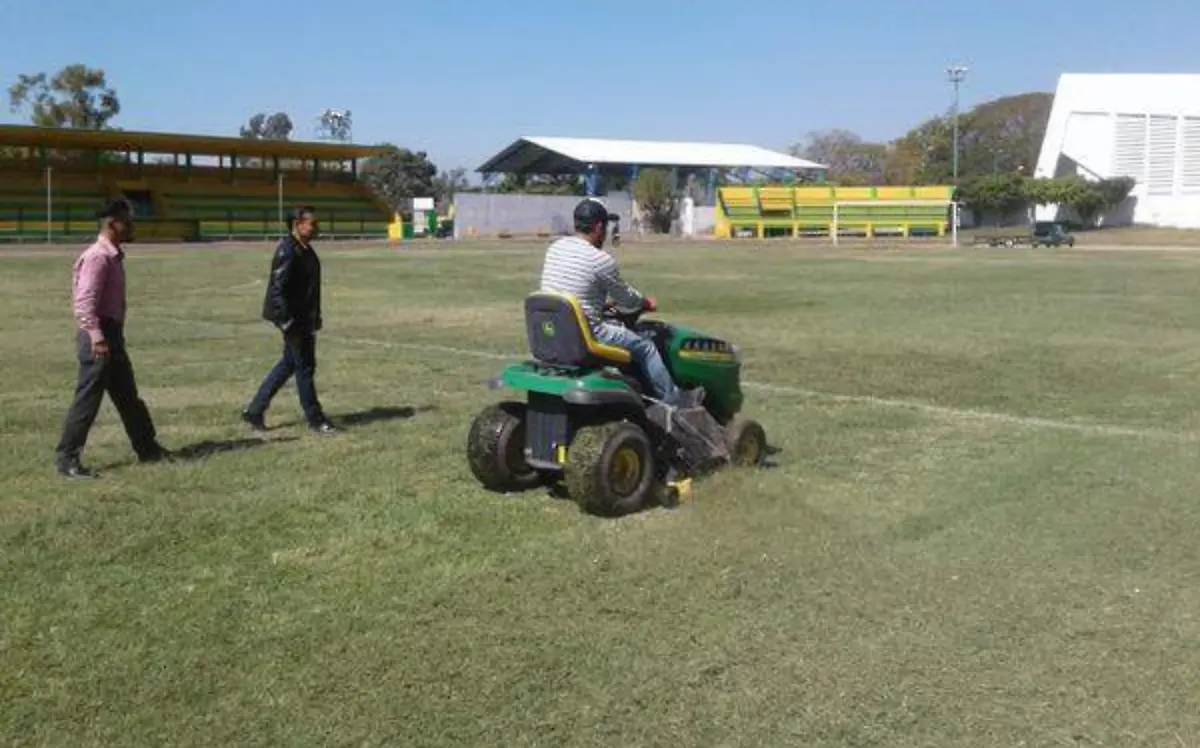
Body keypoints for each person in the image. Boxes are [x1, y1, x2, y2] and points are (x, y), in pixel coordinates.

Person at [539, 198, 703, 408]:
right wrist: (645, 302)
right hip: (586, 334)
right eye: (605, 227)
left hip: (553, 330)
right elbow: (627, 298)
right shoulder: (600, 260)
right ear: (599, 227)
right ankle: (673, 400)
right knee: (646, 347)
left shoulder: (555, 248)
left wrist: (602, 305)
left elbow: (566, 292)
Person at [53, 200, 171, 479]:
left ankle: (148, 449)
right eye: (127, 221)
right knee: (88, 400)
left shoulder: (113, 255)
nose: (131, 226)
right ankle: (67, 459)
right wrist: (97, 337)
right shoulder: (98, 257)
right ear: (113, 223)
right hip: (100, 336)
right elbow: (84, 303)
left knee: (129, 398)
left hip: (112, 334)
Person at [242, 206, 337, 434]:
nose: (316, 228)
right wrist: (287, 323)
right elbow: (277, 291)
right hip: (294, 321)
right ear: (297, 224)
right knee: (305, 368)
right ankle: (316, 419)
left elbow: (310, 290)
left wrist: (316, 316)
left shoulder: (306, 250)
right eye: (312, 224)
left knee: (288, 365)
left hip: (305, 319)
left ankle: (254, 411)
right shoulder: (288, 250)